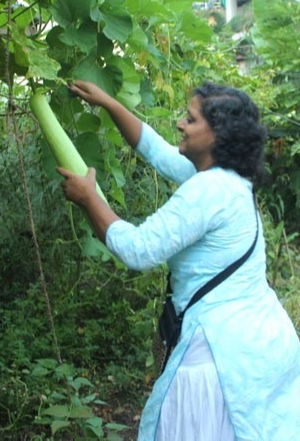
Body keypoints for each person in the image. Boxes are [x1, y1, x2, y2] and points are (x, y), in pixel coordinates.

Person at [57, 80, 300, 441]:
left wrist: (88, 198)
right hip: (259, 342)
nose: (180, 125)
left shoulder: (209, 191)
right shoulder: (227, 178)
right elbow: (156, 150)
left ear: (218, 136)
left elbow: (138, 250)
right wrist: (108, 102)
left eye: (191, 119)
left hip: (220, 353)